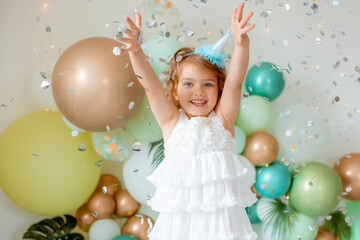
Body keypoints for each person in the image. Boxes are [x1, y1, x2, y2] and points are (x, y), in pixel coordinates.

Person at [116, 2, 258, 239]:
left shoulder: (223, 119)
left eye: (208, 84)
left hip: (221, 226)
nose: (199, 92)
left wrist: (242, 43)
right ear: (175, 90)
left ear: (219, 91)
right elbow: (151, 87)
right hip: (181, 228)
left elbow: (235, 80)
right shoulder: (172, 122)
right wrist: (135, 51)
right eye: (189, 84)